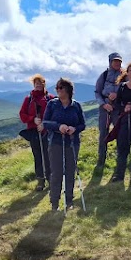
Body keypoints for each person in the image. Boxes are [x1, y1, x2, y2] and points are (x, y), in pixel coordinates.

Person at [43, 78, 86, 211]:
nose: (58, 90)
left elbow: (82, 124)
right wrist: (58, 126)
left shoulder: (76, 105)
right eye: (57, 88)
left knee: (70, 171)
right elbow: (45, 122)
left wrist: (75, 129)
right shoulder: (52, 104)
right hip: (56, 142)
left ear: (68, 90)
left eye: (61, 87)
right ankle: (54, 202)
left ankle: (69, 201)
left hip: (72, 143)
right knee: (56, 172)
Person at [19, 74, 53, 191]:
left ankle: (50, 179)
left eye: (40, 83)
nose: (38, 85)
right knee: (37, 156)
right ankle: (40, 181)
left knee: (48, 156)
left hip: (48, 132)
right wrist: (32, 119)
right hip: (34, 133)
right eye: (36, 83)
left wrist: (45, 124)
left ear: (44, 84)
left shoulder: (51, 98)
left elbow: (55, 115)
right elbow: (22, 115)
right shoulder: (28, 99)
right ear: (33, 85)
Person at [94, 52, 125, 167]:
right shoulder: (104, 75)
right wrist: (104, 104)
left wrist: (118, 95)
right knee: (103, 134)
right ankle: (101, 161)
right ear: (110, 62)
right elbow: (97, 92)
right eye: (115, 61)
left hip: (119, 109)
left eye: (119, 61)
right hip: (105, 109)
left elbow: (128, 91)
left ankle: (120, 160)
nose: (117, 63)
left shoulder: (125, 76)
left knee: (120, 133)